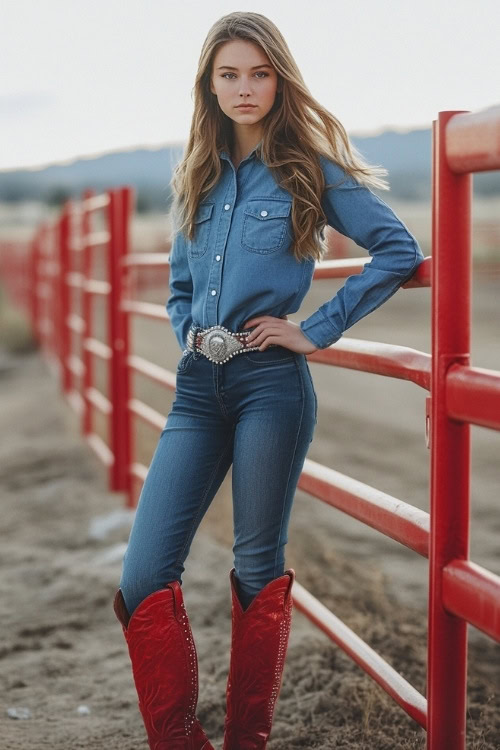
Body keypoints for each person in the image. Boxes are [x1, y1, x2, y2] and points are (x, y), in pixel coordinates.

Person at [113, 10, 425, 750]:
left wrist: (313, 329)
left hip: (270, 390)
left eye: (258, 73)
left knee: (256, 566)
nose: (244, 88)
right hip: (197, 390)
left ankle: (247, 740)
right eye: (229, 74)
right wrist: (186, 326)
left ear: (278, 79)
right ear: (210, 84)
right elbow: (180, 288)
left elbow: (396, 248)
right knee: (143, 574)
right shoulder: (193, 173)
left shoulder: (307, 166)